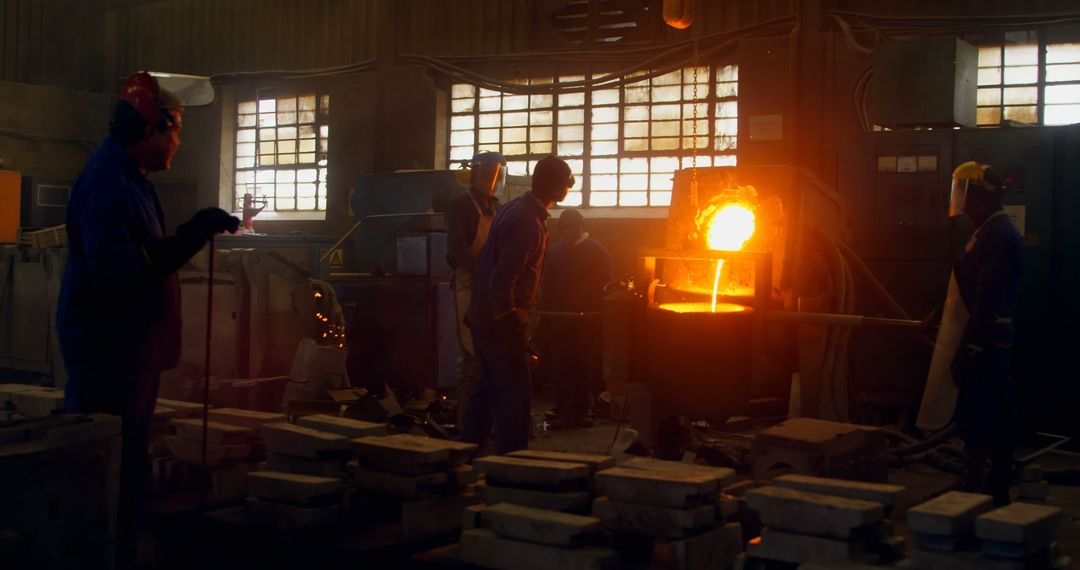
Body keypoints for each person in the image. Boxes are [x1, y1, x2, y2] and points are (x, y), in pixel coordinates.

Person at [57, 71, 239, 567]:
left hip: (132, 353)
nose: (178, 139)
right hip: (109, 355)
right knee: (103, 474)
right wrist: (192, 234)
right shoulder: (106, 184)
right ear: (149, 128)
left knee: (125, 472)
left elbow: (146, 257)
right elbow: (118, 272)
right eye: (175, 127)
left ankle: (116, 550)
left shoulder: (131, 180)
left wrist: (189, 234)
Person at [921, 161, 1022, 505]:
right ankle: (993, 481)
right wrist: (936, 316)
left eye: (965, 196)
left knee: (984, 407)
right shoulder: (985, 230)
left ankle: (983, 481)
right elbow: (965, 283)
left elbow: (986, 294)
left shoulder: (997, 235)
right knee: (995, 407)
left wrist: (973, 345)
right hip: (985, 334)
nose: (961, 204)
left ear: (979, 197)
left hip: (988, 337)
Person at [459, 156, 574, 454]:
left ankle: (461, 454)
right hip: (500, 324)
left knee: (487, 392)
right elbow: (502, 281)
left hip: (484, 318)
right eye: (567, 182)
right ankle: (512, 466)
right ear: (557, 187)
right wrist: (512, 325)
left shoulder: (515, 209)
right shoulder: (528, 224)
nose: (569, 187)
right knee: (515, 400)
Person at [446, 151, 504, 425]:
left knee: (491, 356)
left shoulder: (497, 208)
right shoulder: (461, 206)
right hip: (469, 283)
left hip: (490, 284)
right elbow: (456, 250)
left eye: (497, 174)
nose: (494, 179)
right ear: (478, 174)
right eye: (490, 173)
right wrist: (480, 269)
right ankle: (466, 423)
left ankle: (485, 422)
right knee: (471, 356)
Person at [540, 209, 612, 429]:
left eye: (571, 228)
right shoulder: (553, 253)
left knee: (581, 364)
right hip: (560, 320)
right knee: (562, 366)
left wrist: (598, 318)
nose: (568, 233)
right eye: (564, 228)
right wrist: (547, 316)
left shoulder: (597, 252)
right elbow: (547, 286)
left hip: (585, 320)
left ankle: (580, 411)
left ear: (581, 227)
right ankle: (563, 411)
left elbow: (604, 286)